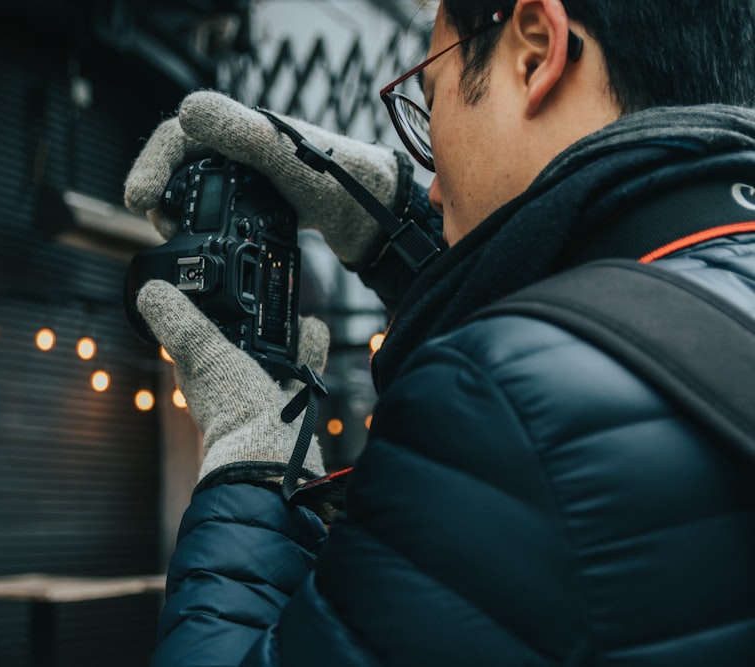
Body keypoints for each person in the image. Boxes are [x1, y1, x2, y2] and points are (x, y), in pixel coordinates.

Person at [123, 0, 755, 664]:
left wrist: (249, 457)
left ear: (535, 51)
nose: (429, 187)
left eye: (428, 104)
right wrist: (391, 229)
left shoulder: (494, 406)